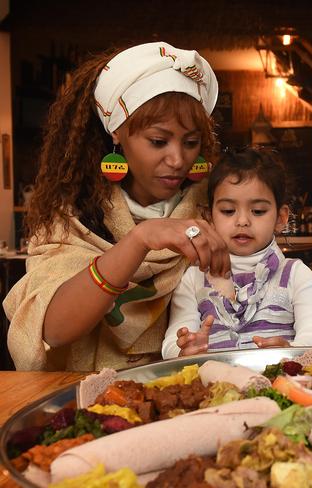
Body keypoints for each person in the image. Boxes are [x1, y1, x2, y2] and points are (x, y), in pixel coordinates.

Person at [3, 42, 230, 371]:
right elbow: (52, 329)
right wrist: (140, 240)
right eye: (158, 141)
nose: (178, 159)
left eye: (191, 142)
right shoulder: (73, 217)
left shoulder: (219, 208)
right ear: (117, 133)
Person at [162, 148, 312, 358]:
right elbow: (172, 342)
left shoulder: (295, 274)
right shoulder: (193, 278)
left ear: (281, 218)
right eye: (228, 211)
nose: (242, 221)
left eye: (258, 211)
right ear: (209, 217)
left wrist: (291, 352)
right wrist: (183, 348)